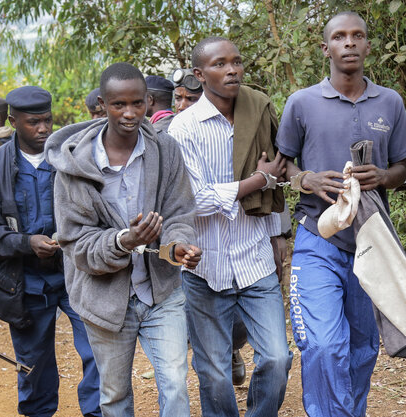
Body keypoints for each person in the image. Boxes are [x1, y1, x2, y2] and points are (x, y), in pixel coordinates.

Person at [275, 12, 406, 416]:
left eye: (358, 36)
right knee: (321, 344)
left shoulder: (390, 102)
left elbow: (402, 171)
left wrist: (384, 175)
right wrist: (310, 180)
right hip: (316, 238)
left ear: (369, 46)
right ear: (326, 49)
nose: (349, 43)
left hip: (371, 242)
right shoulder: (301, 103)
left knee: (362, 347)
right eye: (339, 37)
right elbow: (285, 165)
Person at [47, 62, 201, 417]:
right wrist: (123, 241)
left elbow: (179, 211)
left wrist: (178, 246)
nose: (129, 113)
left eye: (137, 103)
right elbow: (76, 245)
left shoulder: (164, 149)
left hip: (161, 292)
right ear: (103, 103)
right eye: (119, 105)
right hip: (103, 300)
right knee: (115, 395)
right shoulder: (75, 167)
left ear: (148, 101)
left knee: (176, 384)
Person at [169, 37, 291, 417]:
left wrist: (279, 233)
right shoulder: (184, 128)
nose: (232, 69)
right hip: (205, 268)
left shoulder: (257, 113)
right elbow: (193, 201)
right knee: (215, 375)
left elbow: (278, 180)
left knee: (277, 358)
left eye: (236, 62)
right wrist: (256, 181)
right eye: (220, 64)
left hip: (255, 259)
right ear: (199, 74)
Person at [0, 86, 101, 417]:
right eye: (33, 122)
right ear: (13, 121)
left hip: (77, 276)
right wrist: (25, 243)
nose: (43, 129)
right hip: (25, 282)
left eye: (48, 121)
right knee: (33, 363)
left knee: (99, 352)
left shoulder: (70, 158)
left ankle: (100, 412)